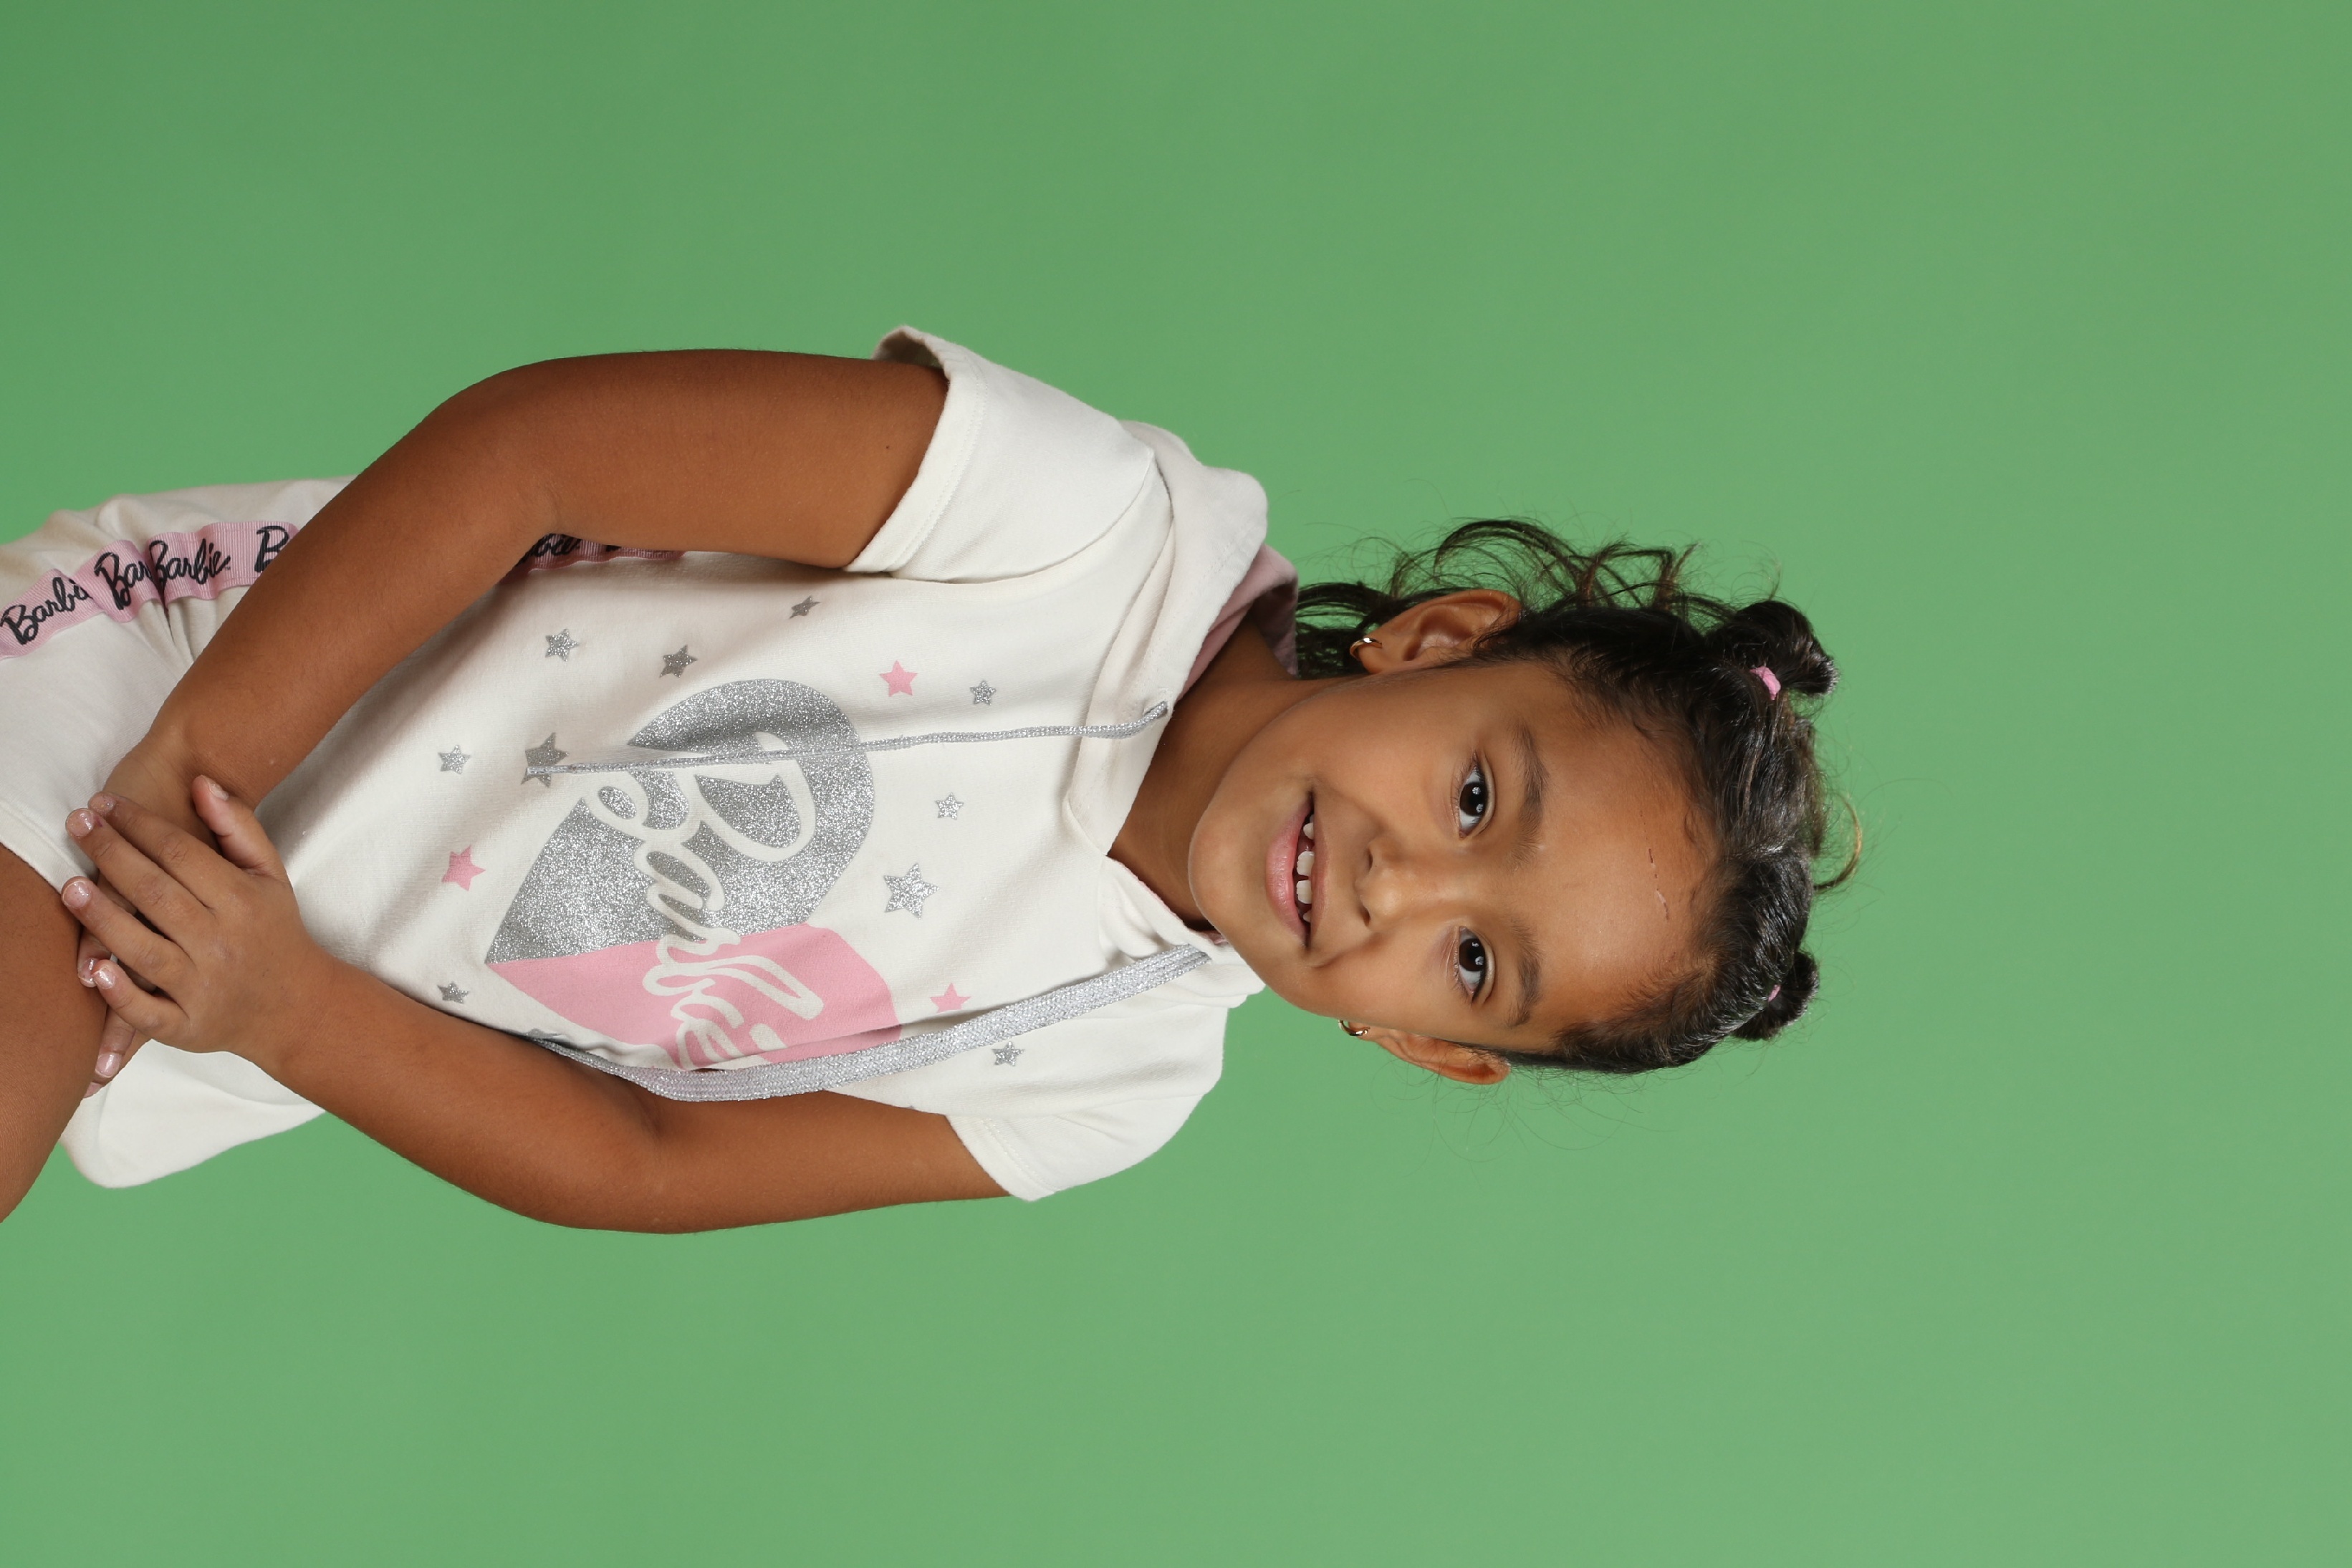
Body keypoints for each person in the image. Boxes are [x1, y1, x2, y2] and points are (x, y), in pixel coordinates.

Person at [0, 330, 1843, 1230]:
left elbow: (647, 1159)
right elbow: (533, 453)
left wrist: (280, 1013)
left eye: (1475, 963)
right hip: (166, 708)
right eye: (1476, 805)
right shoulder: (1093, 529)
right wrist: (179, 788)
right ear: (1439, 643)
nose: (1398, 890)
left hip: (231, 996)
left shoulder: (1108, 1083)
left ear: (1428, 1049)